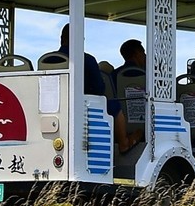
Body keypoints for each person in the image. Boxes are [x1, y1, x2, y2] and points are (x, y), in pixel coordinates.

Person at [58, 25, 142, 153]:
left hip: (57, 106)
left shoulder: (50, 59)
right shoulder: (87, 59)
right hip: (84, 107)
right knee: (114, 104)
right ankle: (123, 142)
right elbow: (99, 89)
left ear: (61, 39)